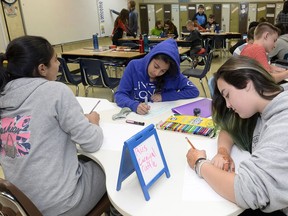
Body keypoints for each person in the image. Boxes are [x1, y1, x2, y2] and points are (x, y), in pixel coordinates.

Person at [0, 35, 106, 216]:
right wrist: (93, 123)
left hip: (24, 205)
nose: (59, 64)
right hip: (62, 206)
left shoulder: (3, 95)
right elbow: (92, 142)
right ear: (42, 68)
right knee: (112, 169)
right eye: (55, 59)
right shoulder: (55, 91)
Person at [186, 55, 288, 215]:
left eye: (227, 95)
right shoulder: (266, 109)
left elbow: (247, 191)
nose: (228, 104)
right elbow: (229, 129)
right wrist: (223, 152)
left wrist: (199, 164)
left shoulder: (283, 123)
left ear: (247, 83)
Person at [114, 39, 199, 115]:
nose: (157, 73)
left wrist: (165, 96)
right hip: (136, 117)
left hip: (161, 117)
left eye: (163, 71)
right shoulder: (134, 66)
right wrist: (134, 105)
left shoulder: (172, 74)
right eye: (156, 66)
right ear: (150, 58)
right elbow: (119, 95)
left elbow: (193, 91)